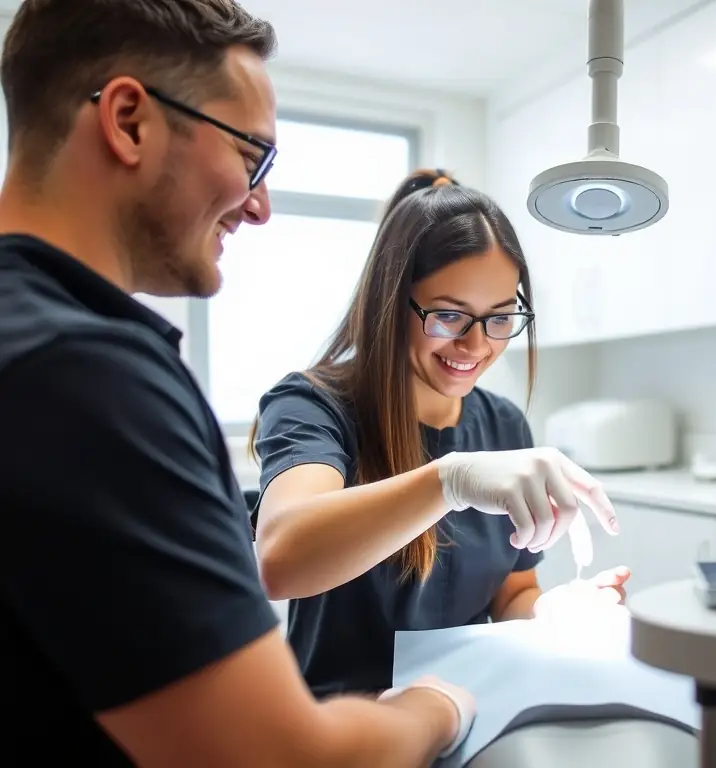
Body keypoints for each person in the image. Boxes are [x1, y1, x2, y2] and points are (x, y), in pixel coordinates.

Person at [0, 2, 477, 766]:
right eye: (252, 158)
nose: (259, 206)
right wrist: (437, 709)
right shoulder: (84, 375)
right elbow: (282, 758)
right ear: (128, 121)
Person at [250, 168, 631, 698]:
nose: (476, 345)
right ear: (391, 302)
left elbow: (512, 590)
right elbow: (283, 558)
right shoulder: (313, 407)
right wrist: (450, 480)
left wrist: (550, 610)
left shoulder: (502, 424)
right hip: (348, 726)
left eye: (500, 318)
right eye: (450, 316)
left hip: (469, 707)